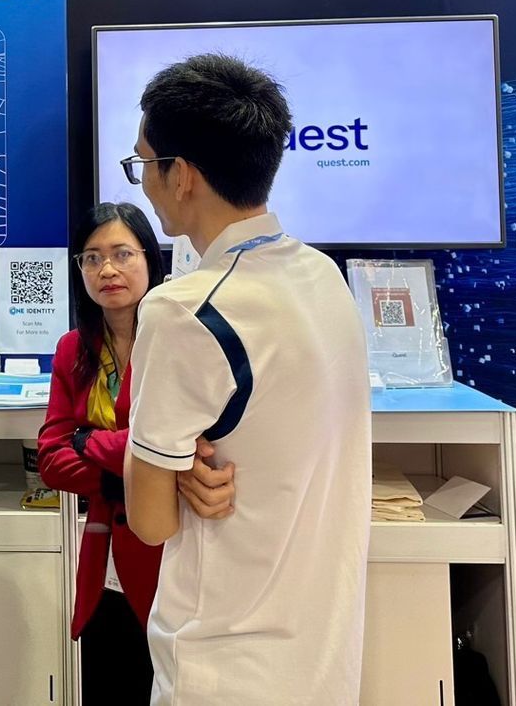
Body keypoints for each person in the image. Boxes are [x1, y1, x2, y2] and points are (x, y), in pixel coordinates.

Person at [122, 53, 371, 705]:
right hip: (321, 657)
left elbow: (150, 520)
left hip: (223, 661)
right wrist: (183, 467)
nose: (141, 182)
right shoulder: (322, 276)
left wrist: (172, 470)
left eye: (144, 163)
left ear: (182, 176)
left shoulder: (183, 310)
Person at [40, 202, 232, 705]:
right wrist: (142, 470)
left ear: (150, 258)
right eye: (92, 258)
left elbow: (194, 443)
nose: (107, 269)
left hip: (175, 551)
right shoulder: (73, 350)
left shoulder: (184, 339)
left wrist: (88, 442)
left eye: (122, 254)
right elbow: (51, 459)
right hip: (105, 562)